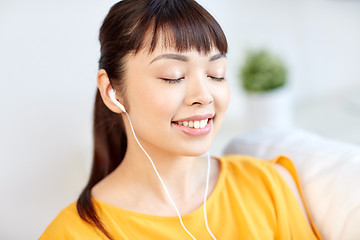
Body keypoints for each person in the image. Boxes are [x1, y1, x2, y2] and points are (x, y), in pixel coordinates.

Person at [40, 0, 323, 239]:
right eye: (173, 76)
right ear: (112, 91)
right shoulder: (73, 232)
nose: (204, 96)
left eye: (216, 74)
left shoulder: (268, 186)